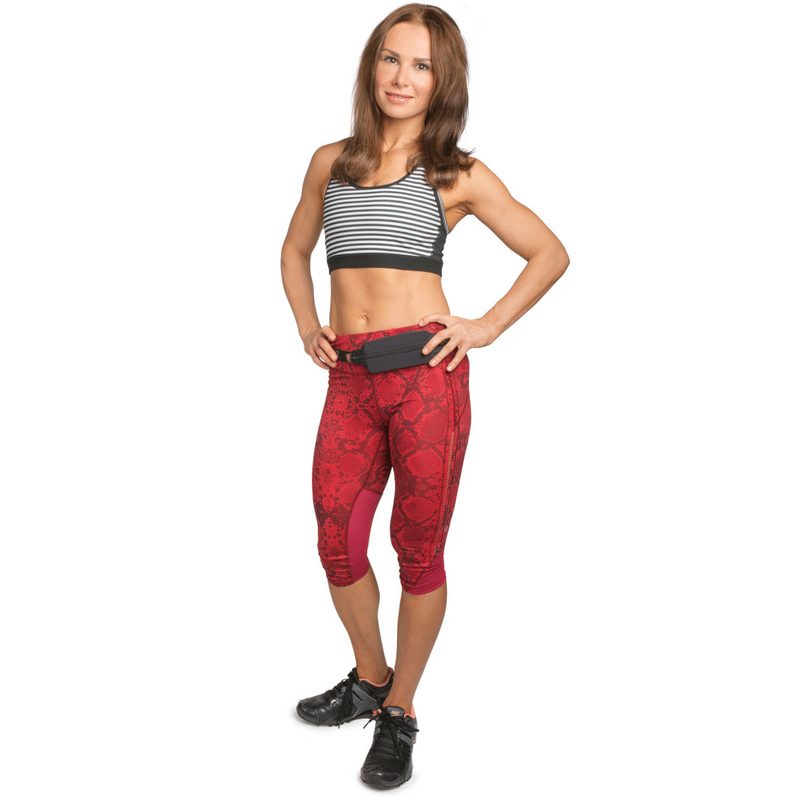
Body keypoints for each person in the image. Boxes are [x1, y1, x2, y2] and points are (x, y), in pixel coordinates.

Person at [281, 4, 569, 789]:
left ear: (443, 82)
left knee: (418, 549)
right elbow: (295, 248)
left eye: (421, 66)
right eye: (390, 58)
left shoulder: (455, 173)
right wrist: (307, 323)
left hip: (426, 382)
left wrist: (486, 326)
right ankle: (370, 678)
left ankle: (400, 711)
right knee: (336, 539)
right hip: (348, 380)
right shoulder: (330, 163)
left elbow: (548, 252)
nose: (401, 78)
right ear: (370, 65)